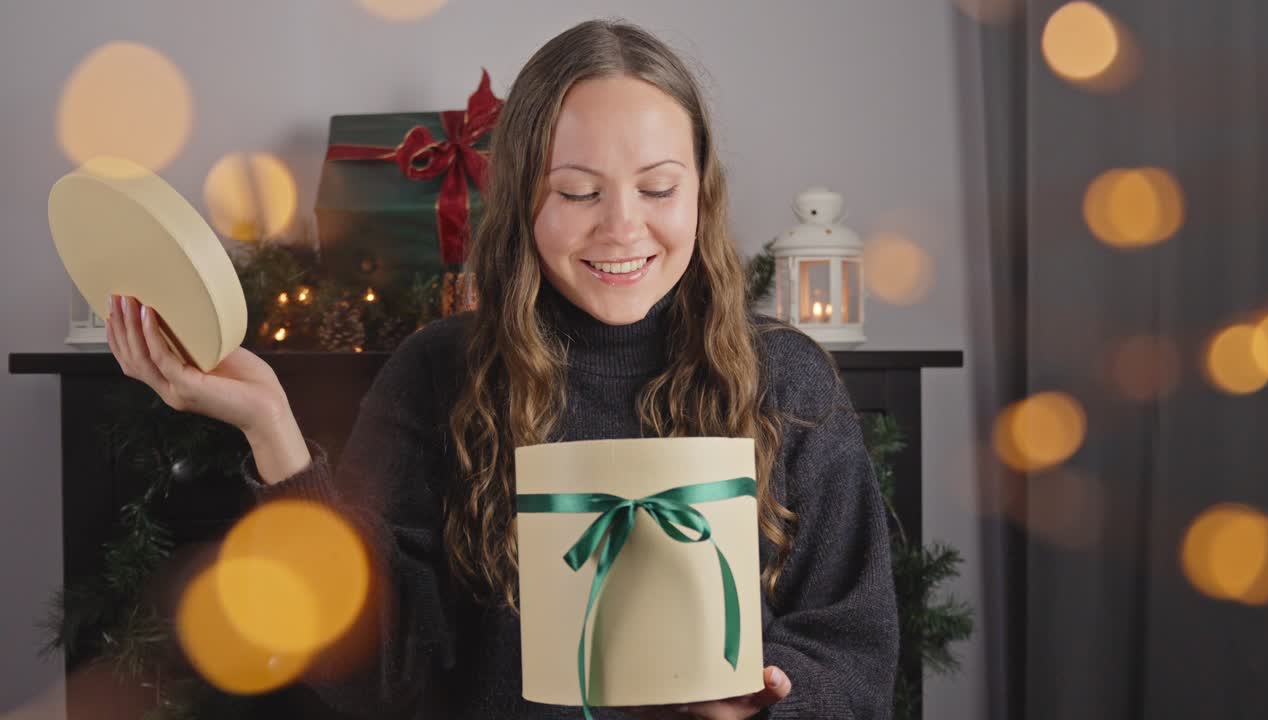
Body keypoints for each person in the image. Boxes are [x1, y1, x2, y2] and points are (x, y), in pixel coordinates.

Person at [104, 19, 897, 720]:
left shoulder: (785, 381)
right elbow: (375, 673)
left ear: (702, 192)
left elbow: (856, 656)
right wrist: (271, 430)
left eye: (657, 187)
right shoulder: (438, 372)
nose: (623, 226)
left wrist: (767, 703)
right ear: (521, 199)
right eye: (578, 192)